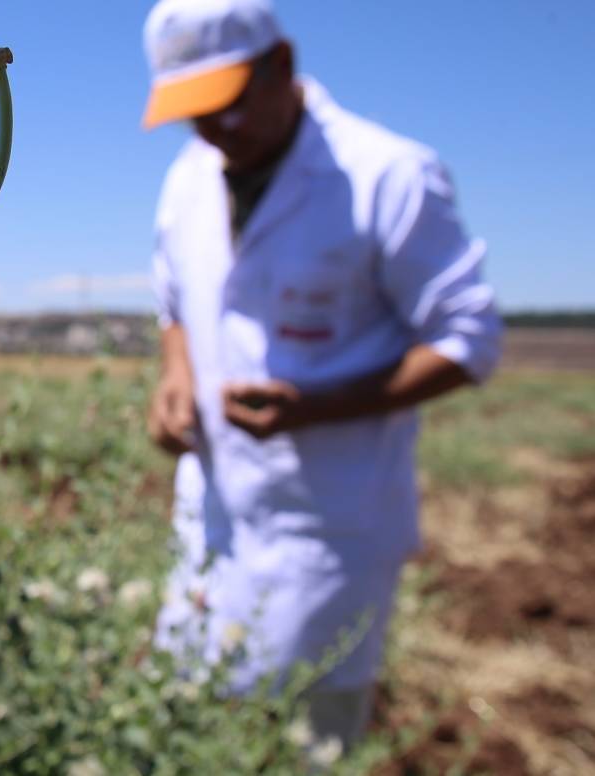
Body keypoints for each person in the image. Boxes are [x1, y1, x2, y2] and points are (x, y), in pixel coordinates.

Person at [140, 0, 502, 755]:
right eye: (194, 113)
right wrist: (176, 374)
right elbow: (173, 297)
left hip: (328, 526)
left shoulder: (389, 176)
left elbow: (468, 339)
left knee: (315, 740)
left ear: (281, 64)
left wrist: (317, 409)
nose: (215, 130)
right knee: (193, 726)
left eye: (228, 105)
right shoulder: (188, 180)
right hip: (213, 514)